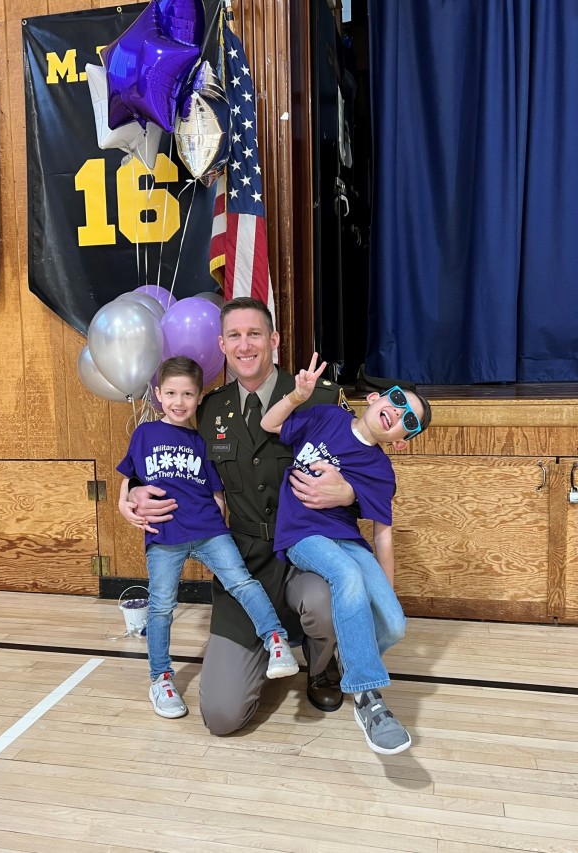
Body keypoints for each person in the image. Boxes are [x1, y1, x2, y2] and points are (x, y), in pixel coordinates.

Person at [120, 297, 357, 734]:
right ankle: (267, 643)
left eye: (254, 334)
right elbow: (163, 458)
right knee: (223, 718)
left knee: (322, 605)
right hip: (244, 559)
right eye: (234, 336)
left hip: (305, 554)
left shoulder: (319, 397)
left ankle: (322, 665)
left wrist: (348, 492)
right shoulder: (208, 409)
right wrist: (128, 493)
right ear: (222, 345)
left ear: (274, 340)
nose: (245, 345)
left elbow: (367, 474)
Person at [261, 353, 432, 754]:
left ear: (401, 441)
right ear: (375, 398)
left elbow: (383, 535)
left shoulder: (380, 470)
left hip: (348, 541)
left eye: (409, 420)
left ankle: (348, 653)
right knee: (346, 577)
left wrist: (386, 592)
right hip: (302, 534)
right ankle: (368, 697)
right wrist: (296, 396)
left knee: (393, 625)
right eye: (398, 400)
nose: (399, 413)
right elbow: (271, 424)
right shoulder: (326, 418)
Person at [116, 356, 299, 720]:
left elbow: (217, 492)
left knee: (241, 581)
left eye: (187, 393)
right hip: (164, 535)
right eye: (170, 393)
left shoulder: (202, 441)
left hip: (208, 531)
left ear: (200, 397)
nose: (178, 401)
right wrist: (125, 502)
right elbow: (130, 477)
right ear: (157, 394)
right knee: (162, 607)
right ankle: (161, 678)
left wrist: (215, 522)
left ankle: (276, 639)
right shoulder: (145, 434)